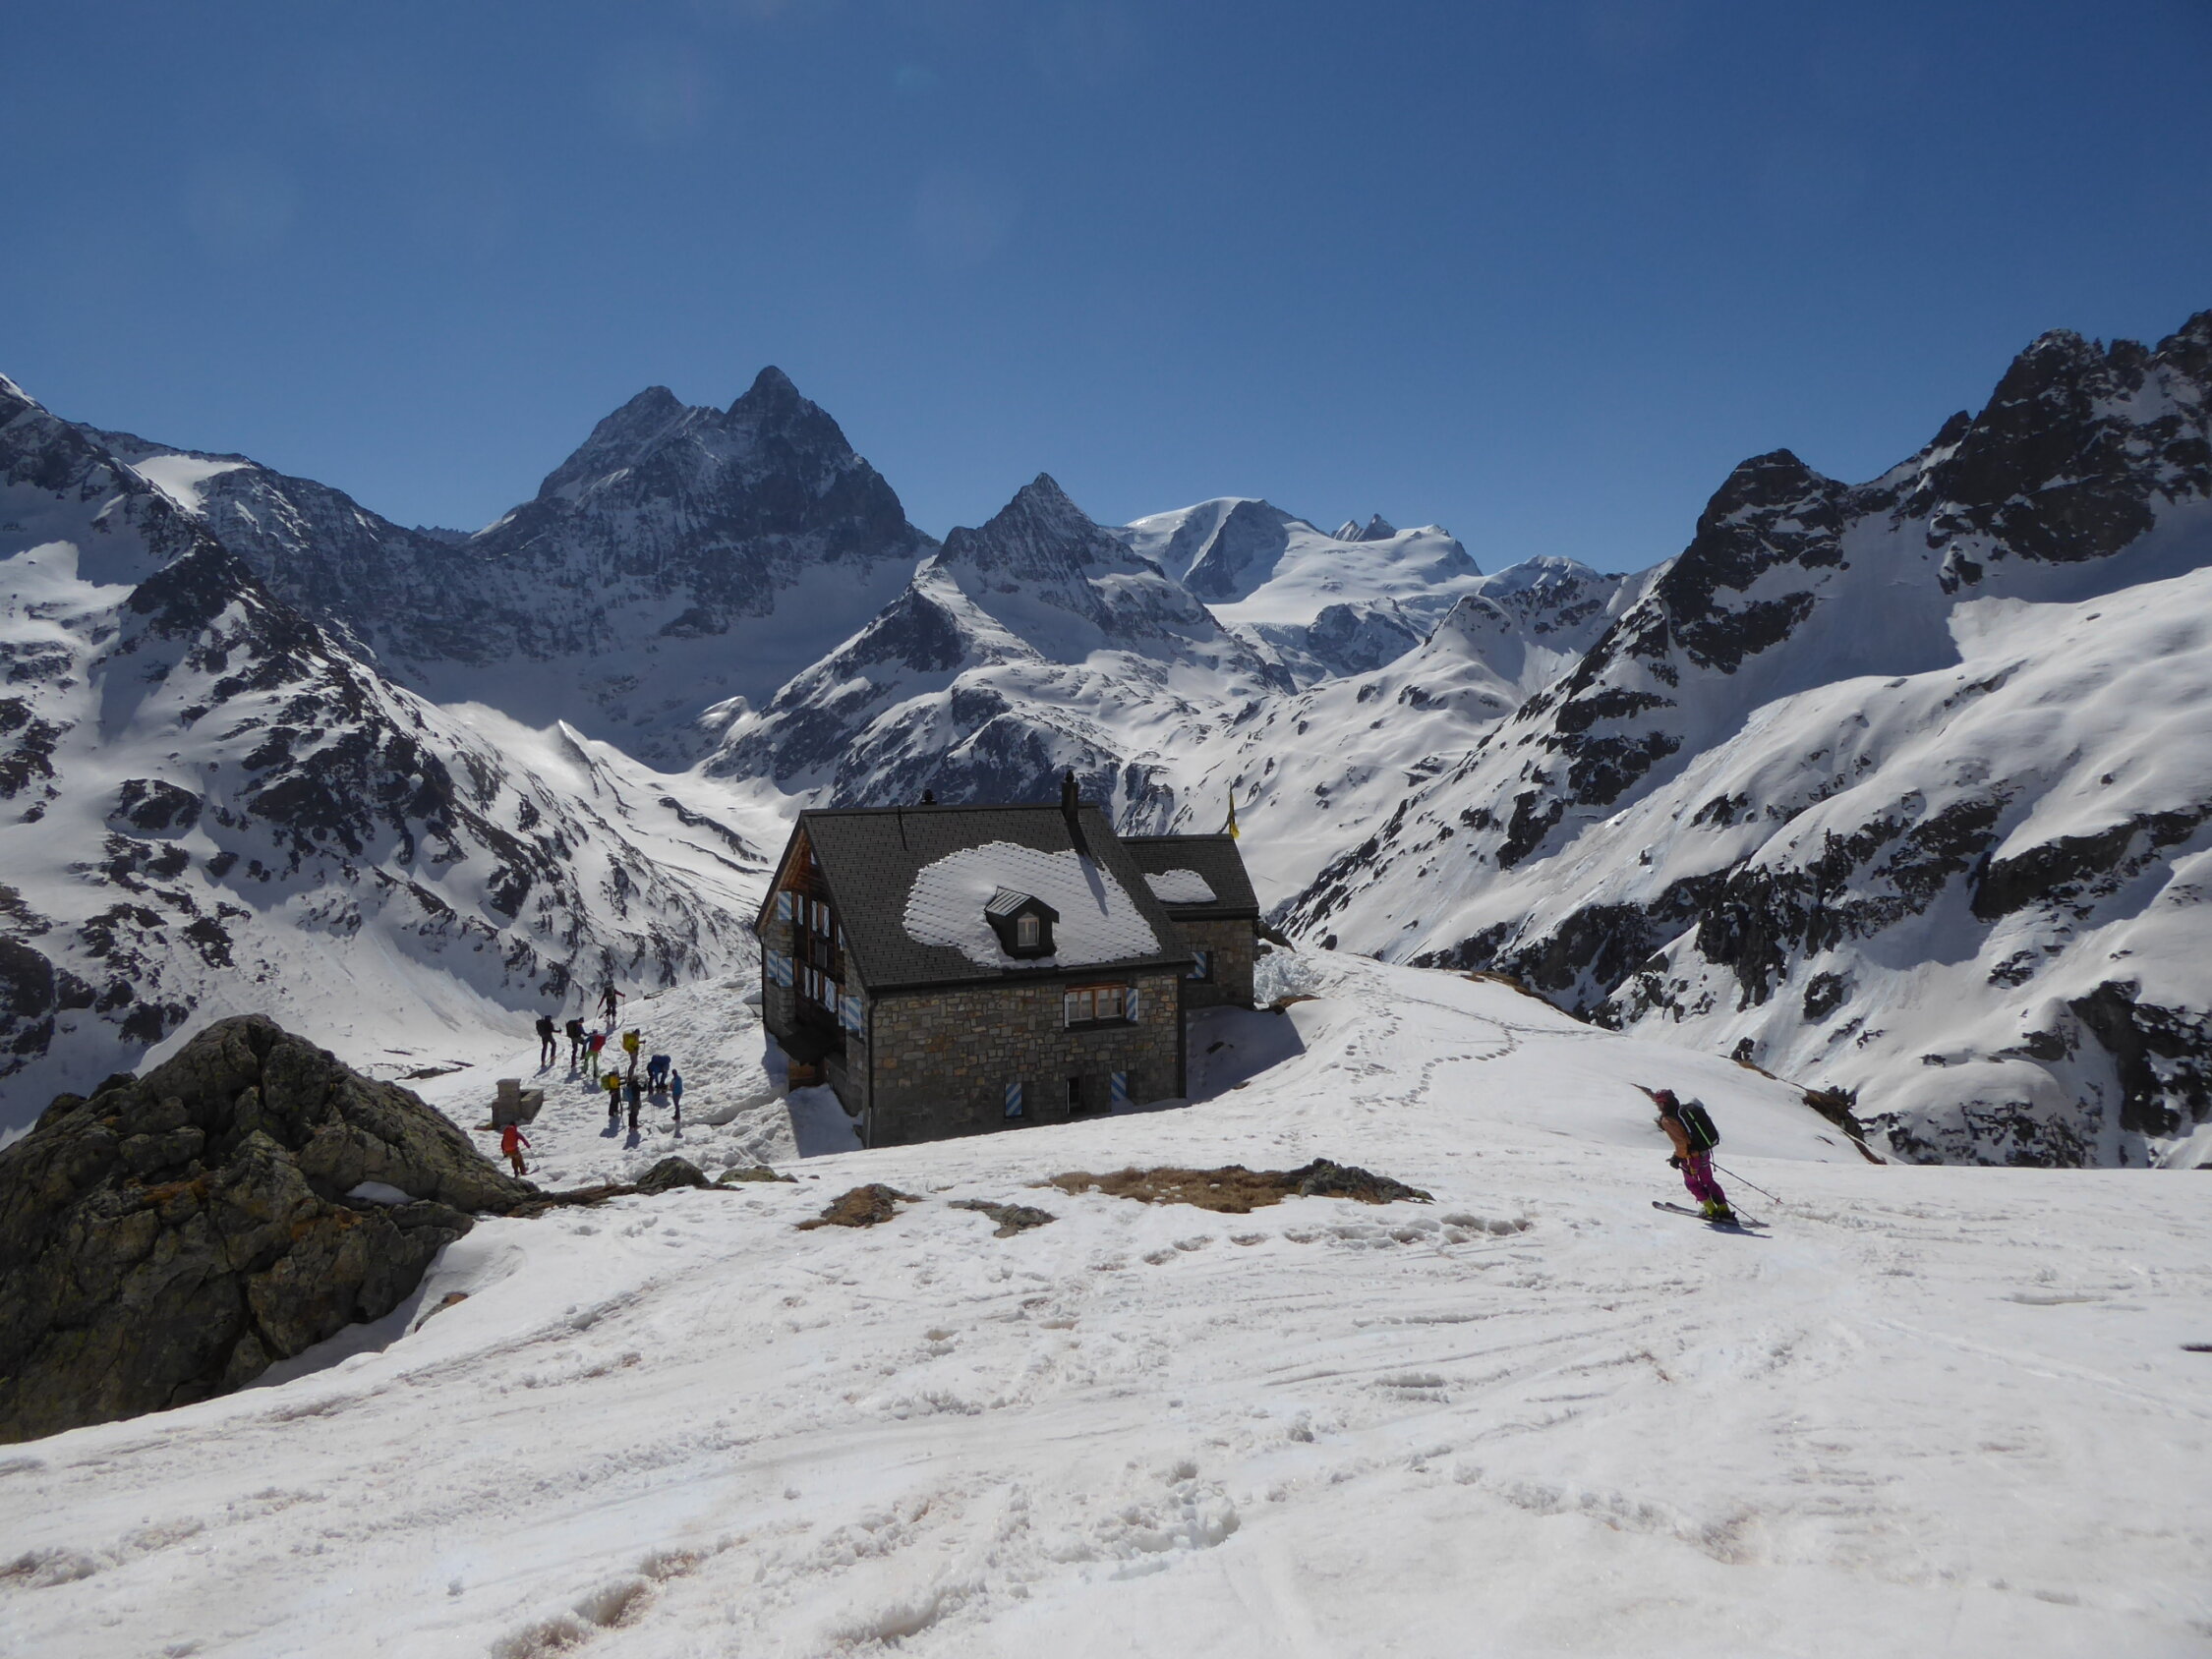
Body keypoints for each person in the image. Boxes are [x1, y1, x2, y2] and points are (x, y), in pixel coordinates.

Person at [1647, 1087, 1732, 1222]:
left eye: (1658, 1104)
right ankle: (1724, 1209)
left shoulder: (1668, 1119)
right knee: (1708, 1181)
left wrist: (1676, 1158)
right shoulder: (1684, 1112)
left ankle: (1710, 1209)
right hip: (1704, 1152)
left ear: (1663, 1103)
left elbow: (1681, 1144)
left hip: (1690, 1158)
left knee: (1692, 1184)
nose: (1658, 1107)